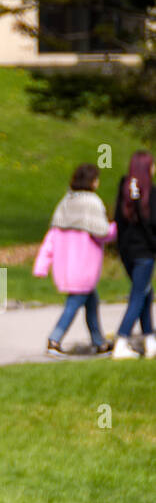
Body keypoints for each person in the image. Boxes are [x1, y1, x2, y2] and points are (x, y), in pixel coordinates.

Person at [33, 163, 116, 357]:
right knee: (74, 304)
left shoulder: (65, 202)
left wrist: (42, 265)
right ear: (92, 181)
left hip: (66, 268)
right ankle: (54, 340)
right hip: (84, 267)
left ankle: (99, 342)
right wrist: (117, 228)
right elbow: (102, 232)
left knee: (91, 302)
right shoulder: (92, 203)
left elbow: (51, 238)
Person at [112, 150, 156, 359]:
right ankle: (121, 340)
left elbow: (118, 222)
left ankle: (150, 339)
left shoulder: (124, 191)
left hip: (127, 252)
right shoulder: (150, 193)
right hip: (144, 254)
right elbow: (150, 226)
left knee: (146, 293)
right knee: (138, 295)